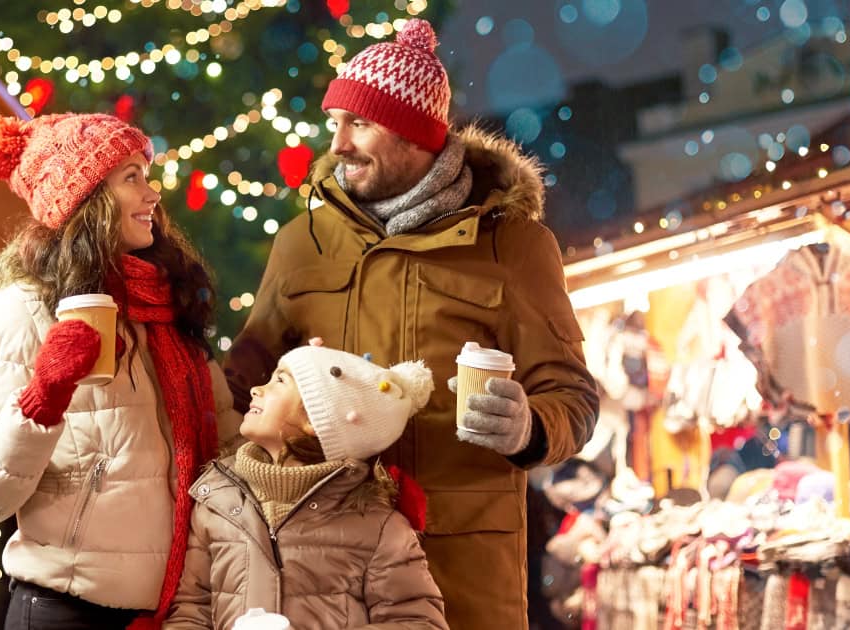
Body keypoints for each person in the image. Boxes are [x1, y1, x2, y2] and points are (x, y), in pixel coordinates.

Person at [223, 19, 599, 628]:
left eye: (360, 124)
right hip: (328, 577)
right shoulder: (302, 244)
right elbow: (241, 388)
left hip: (461, 573)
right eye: (336, 124)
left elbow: (575, 398)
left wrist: (529, 427)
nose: (338, 145)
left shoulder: (515, 246)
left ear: (416, 135)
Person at [0, 113, 239, 630]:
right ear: (84, 201)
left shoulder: (169, 305)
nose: (152, 194)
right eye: (131, 177)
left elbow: (227, 449)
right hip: (67, 609)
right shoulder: (22, 311)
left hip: (180, 610)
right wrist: (45, 396)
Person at [166, 342, 448, 630]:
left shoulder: (378, 526)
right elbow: (192, 610)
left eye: (279, 380)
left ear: (316, 419)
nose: (256, 389)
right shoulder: (216, 502)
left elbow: (419, 622)